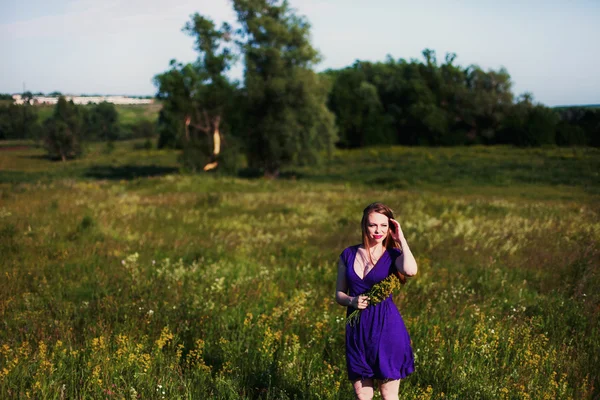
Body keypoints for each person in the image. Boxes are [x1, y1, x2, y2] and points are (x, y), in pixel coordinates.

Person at [335, 202, 418, 400]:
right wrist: (352, 301)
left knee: (388, 395)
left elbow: (411, 271)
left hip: (387, 329)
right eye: (373, 225)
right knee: (362, 396)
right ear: (364, 225)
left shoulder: (393, 254)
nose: (378, 230)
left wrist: (401, 239)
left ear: (390, 227)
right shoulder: (348, 254)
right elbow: (339, 294)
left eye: (384, 225)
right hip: (357, 331)